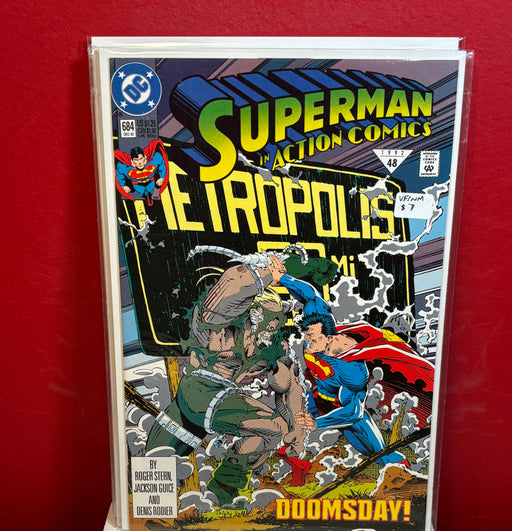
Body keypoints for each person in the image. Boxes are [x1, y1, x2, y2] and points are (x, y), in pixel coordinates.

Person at [145, 257, 309, 505]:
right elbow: (231, 284)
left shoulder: (273, 346)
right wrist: (267, 274)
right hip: (197, 389)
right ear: (253, 313)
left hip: (216, 400)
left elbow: (289, 386)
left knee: (157, 464)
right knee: (152, 475)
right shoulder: (222, 327)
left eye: (279, 320)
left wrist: (297, 426)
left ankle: (223, 493)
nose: (274, 326)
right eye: (269, 318)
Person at [268, 256, 434, 468]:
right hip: (316, 399)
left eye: (312, 339)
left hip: (342, 410)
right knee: (275, 419)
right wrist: (283, 278)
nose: (307, 343)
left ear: (329, 338)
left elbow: (353, 412)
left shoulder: (353, 370)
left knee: (379, 455)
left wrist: (317, 423)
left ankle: (403, 473)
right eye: (307, 336)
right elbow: (310, 296)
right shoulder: (318, 320)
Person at [114, 140, 168, 205]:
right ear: (132, 161)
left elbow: (162, 166)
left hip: (151, 181)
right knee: (141, 193)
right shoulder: (124, 168)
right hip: (137, 184)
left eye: (141, 159)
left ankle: (149, 195)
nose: (139, 163)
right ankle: (145, 196)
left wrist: (162, 177)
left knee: (150, 190)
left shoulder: (154, 160)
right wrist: (123, 186)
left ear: (145, 158)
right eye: (136, 160)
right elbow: (119, 176)